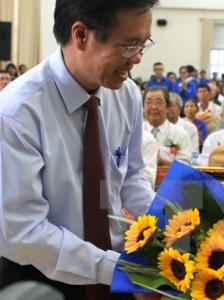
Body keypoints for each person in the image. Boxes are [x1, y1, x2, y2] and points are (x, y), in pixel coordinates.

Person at [0, 1, 160, 300]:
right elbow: (25, 230)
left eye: (144, 44)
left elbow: (129, 176)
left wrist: (169, 229)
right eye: (128, 45)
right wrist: (117, 268)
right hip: (39, 275)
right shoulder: (16, 114)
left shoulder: (125, 94)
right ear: (81, 35)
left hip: (114, 265)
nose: (137, 58)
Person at [142, 87, 191, 166]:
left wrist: (165, 163)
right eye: (149, 102)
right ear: (143, 107)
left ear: (168, 107)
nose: (154, 107)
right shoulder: (134, 133)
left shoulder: (181, 135)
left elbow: (185, 166)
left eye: (159, 102)